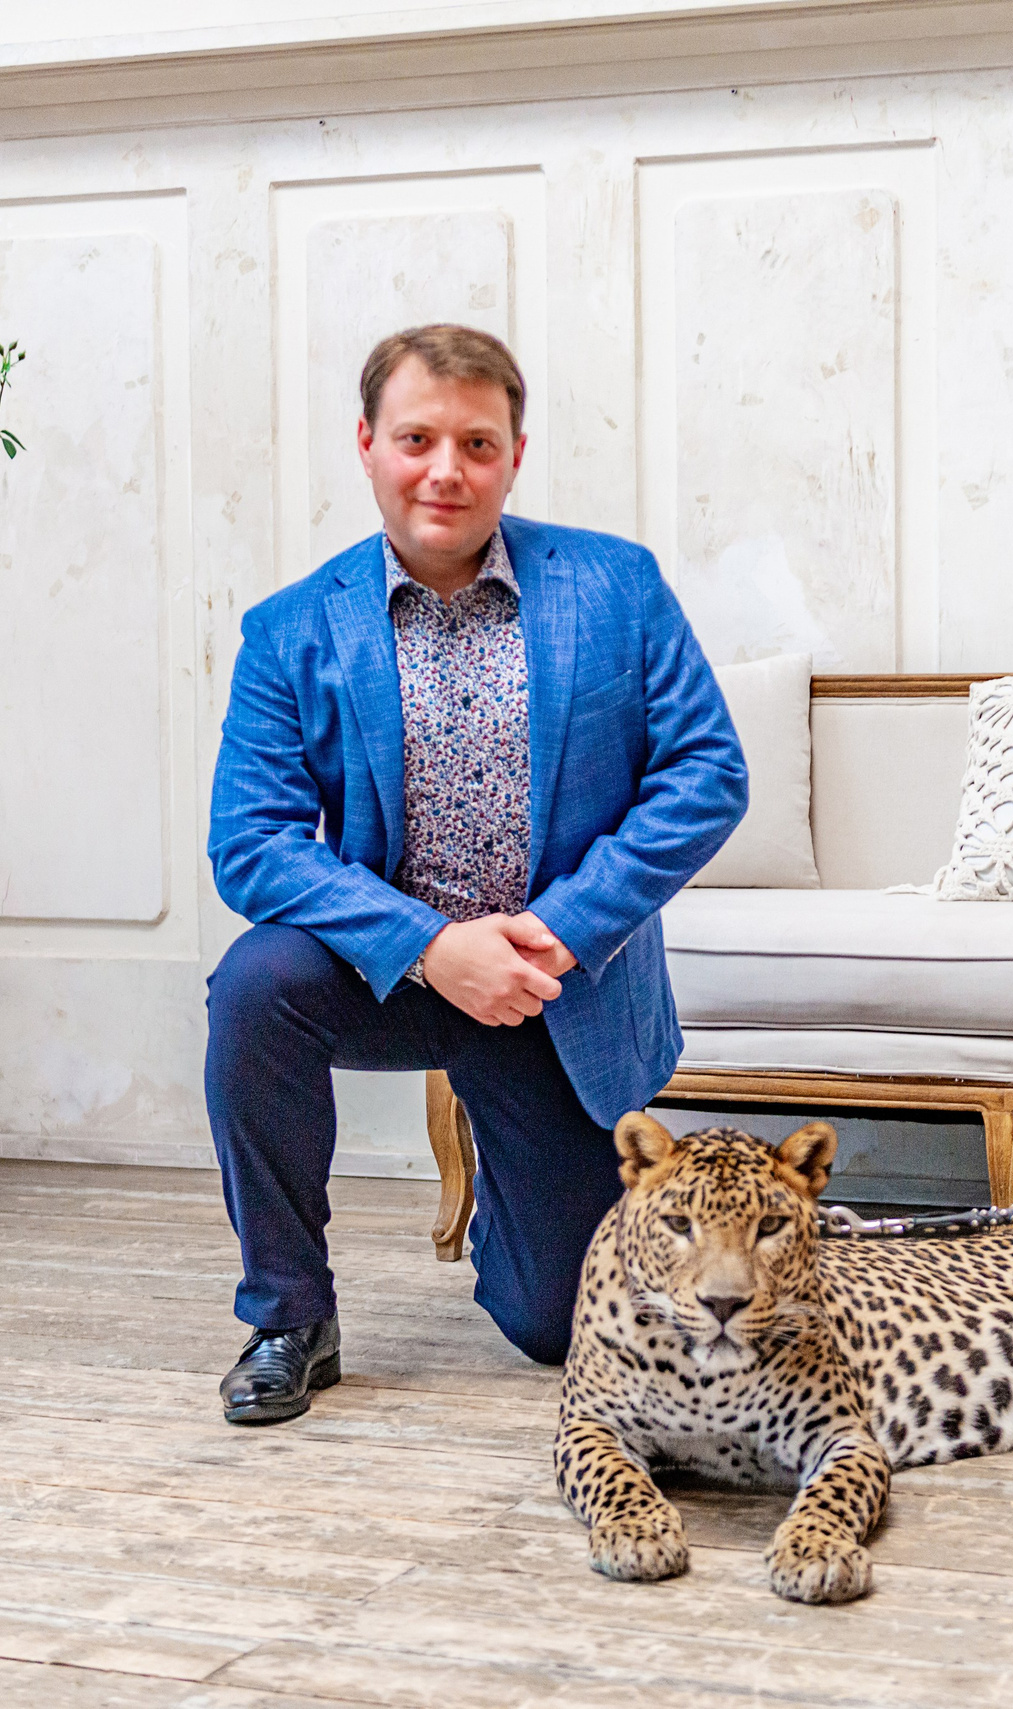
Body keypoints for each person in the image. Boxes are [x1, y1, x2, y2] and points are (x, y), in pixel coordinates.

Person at [204, 323, 748, 1423]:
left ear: (514, 452)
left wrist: (562, 927)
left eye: (475, 442)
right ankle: (288, 1313)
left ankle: (520, 1203)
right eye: (416, 438)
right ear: (366, 444)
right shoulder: (290, 629)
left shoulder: (615, 586)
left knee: (555, 1327)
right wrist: (429, 945)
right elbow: (251, 840)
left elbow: (706, 771)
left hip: (553, 986)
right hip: (386, 974)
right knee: (253, 985)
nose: (444, 469)